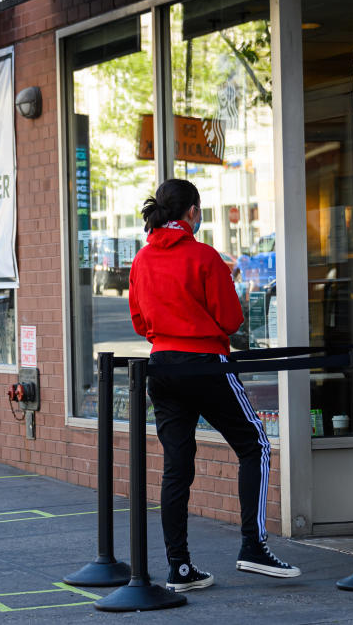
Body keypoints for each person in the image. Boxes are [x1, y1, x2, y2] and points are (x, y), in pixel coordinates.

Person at [128, 178, 300, 593]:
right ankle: (253, 547)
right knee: (255, 444)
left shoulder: (141, 259)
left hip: (162, 366)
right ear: (192, 212)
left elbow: (139, 322)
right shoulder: (204, 257)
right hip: (206, 363)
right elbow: (232, 320)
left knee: (176, 467)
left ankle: (180, 567)